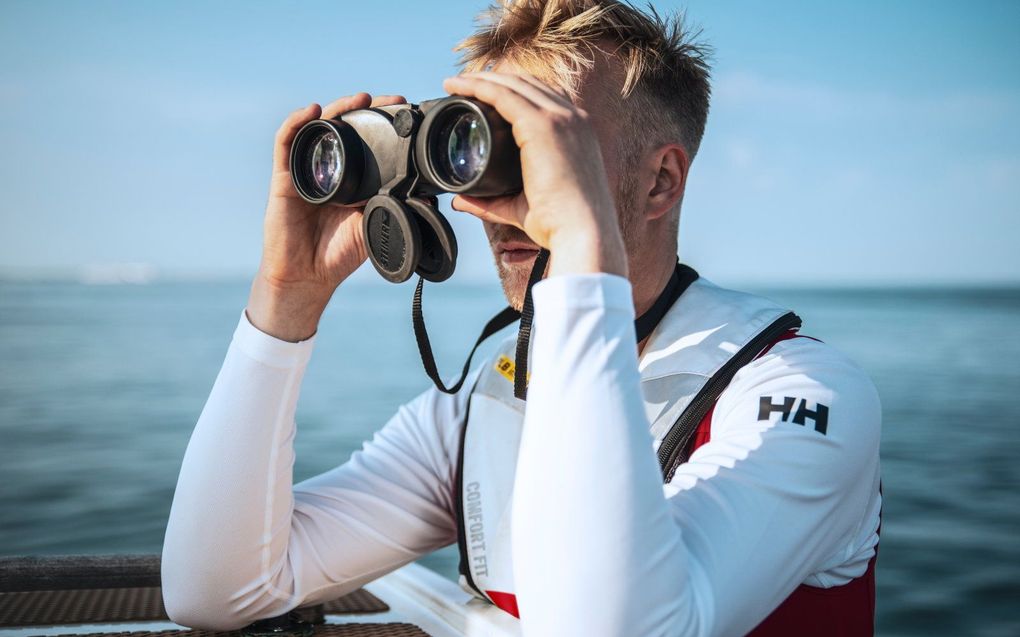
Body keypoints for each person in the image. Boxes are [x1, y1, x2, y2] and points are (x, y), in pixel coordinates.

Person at [161, 1, 882, 635]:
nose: (499, 195)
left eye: (546, 145)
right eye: (488, 144)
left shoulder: (803, 392)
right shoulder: (490, 392)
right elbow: (217, 589)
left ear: (661, 179)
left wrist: (579, 249)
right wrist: (286, 296)